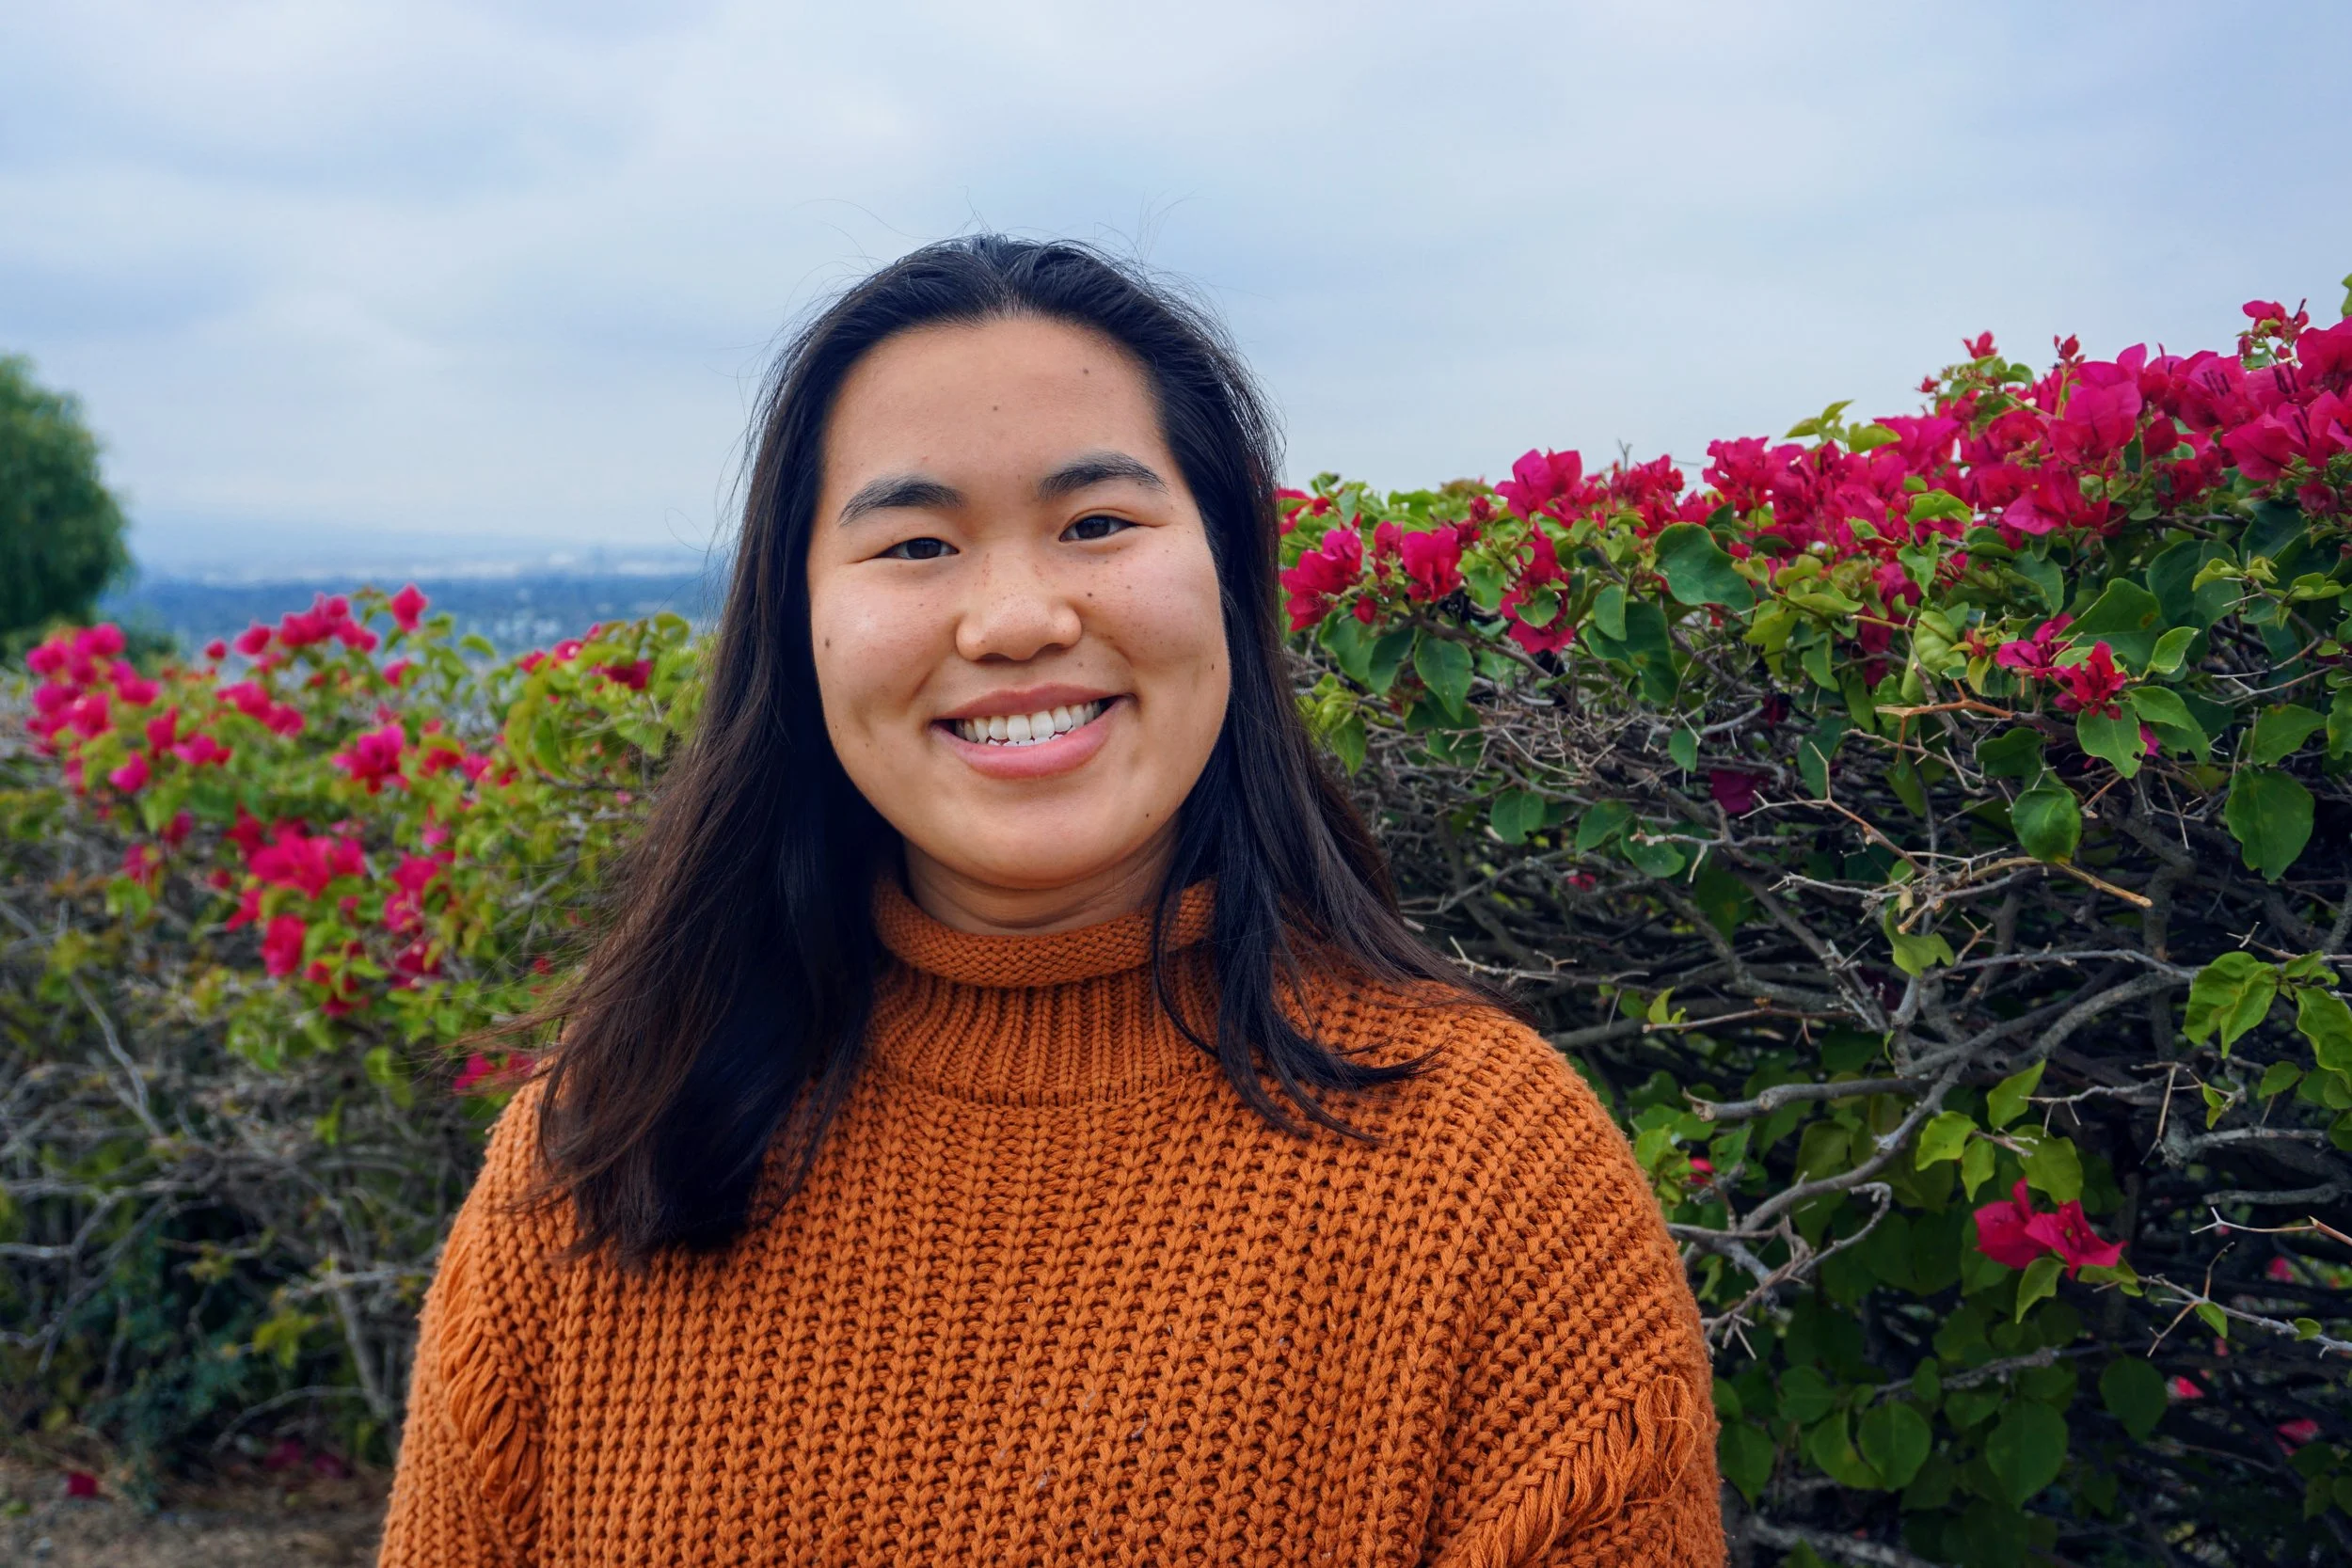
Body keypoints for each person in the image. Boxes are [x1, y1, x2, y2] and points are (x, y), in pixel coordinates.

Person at [377, 235, 1723, 1566]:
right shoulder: (604, 1153)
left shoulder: (1497, 1184)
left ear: (1229, 576)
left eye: (1096, 525)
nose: (1015, 619)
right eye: (915, 543)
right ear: (798, 624)